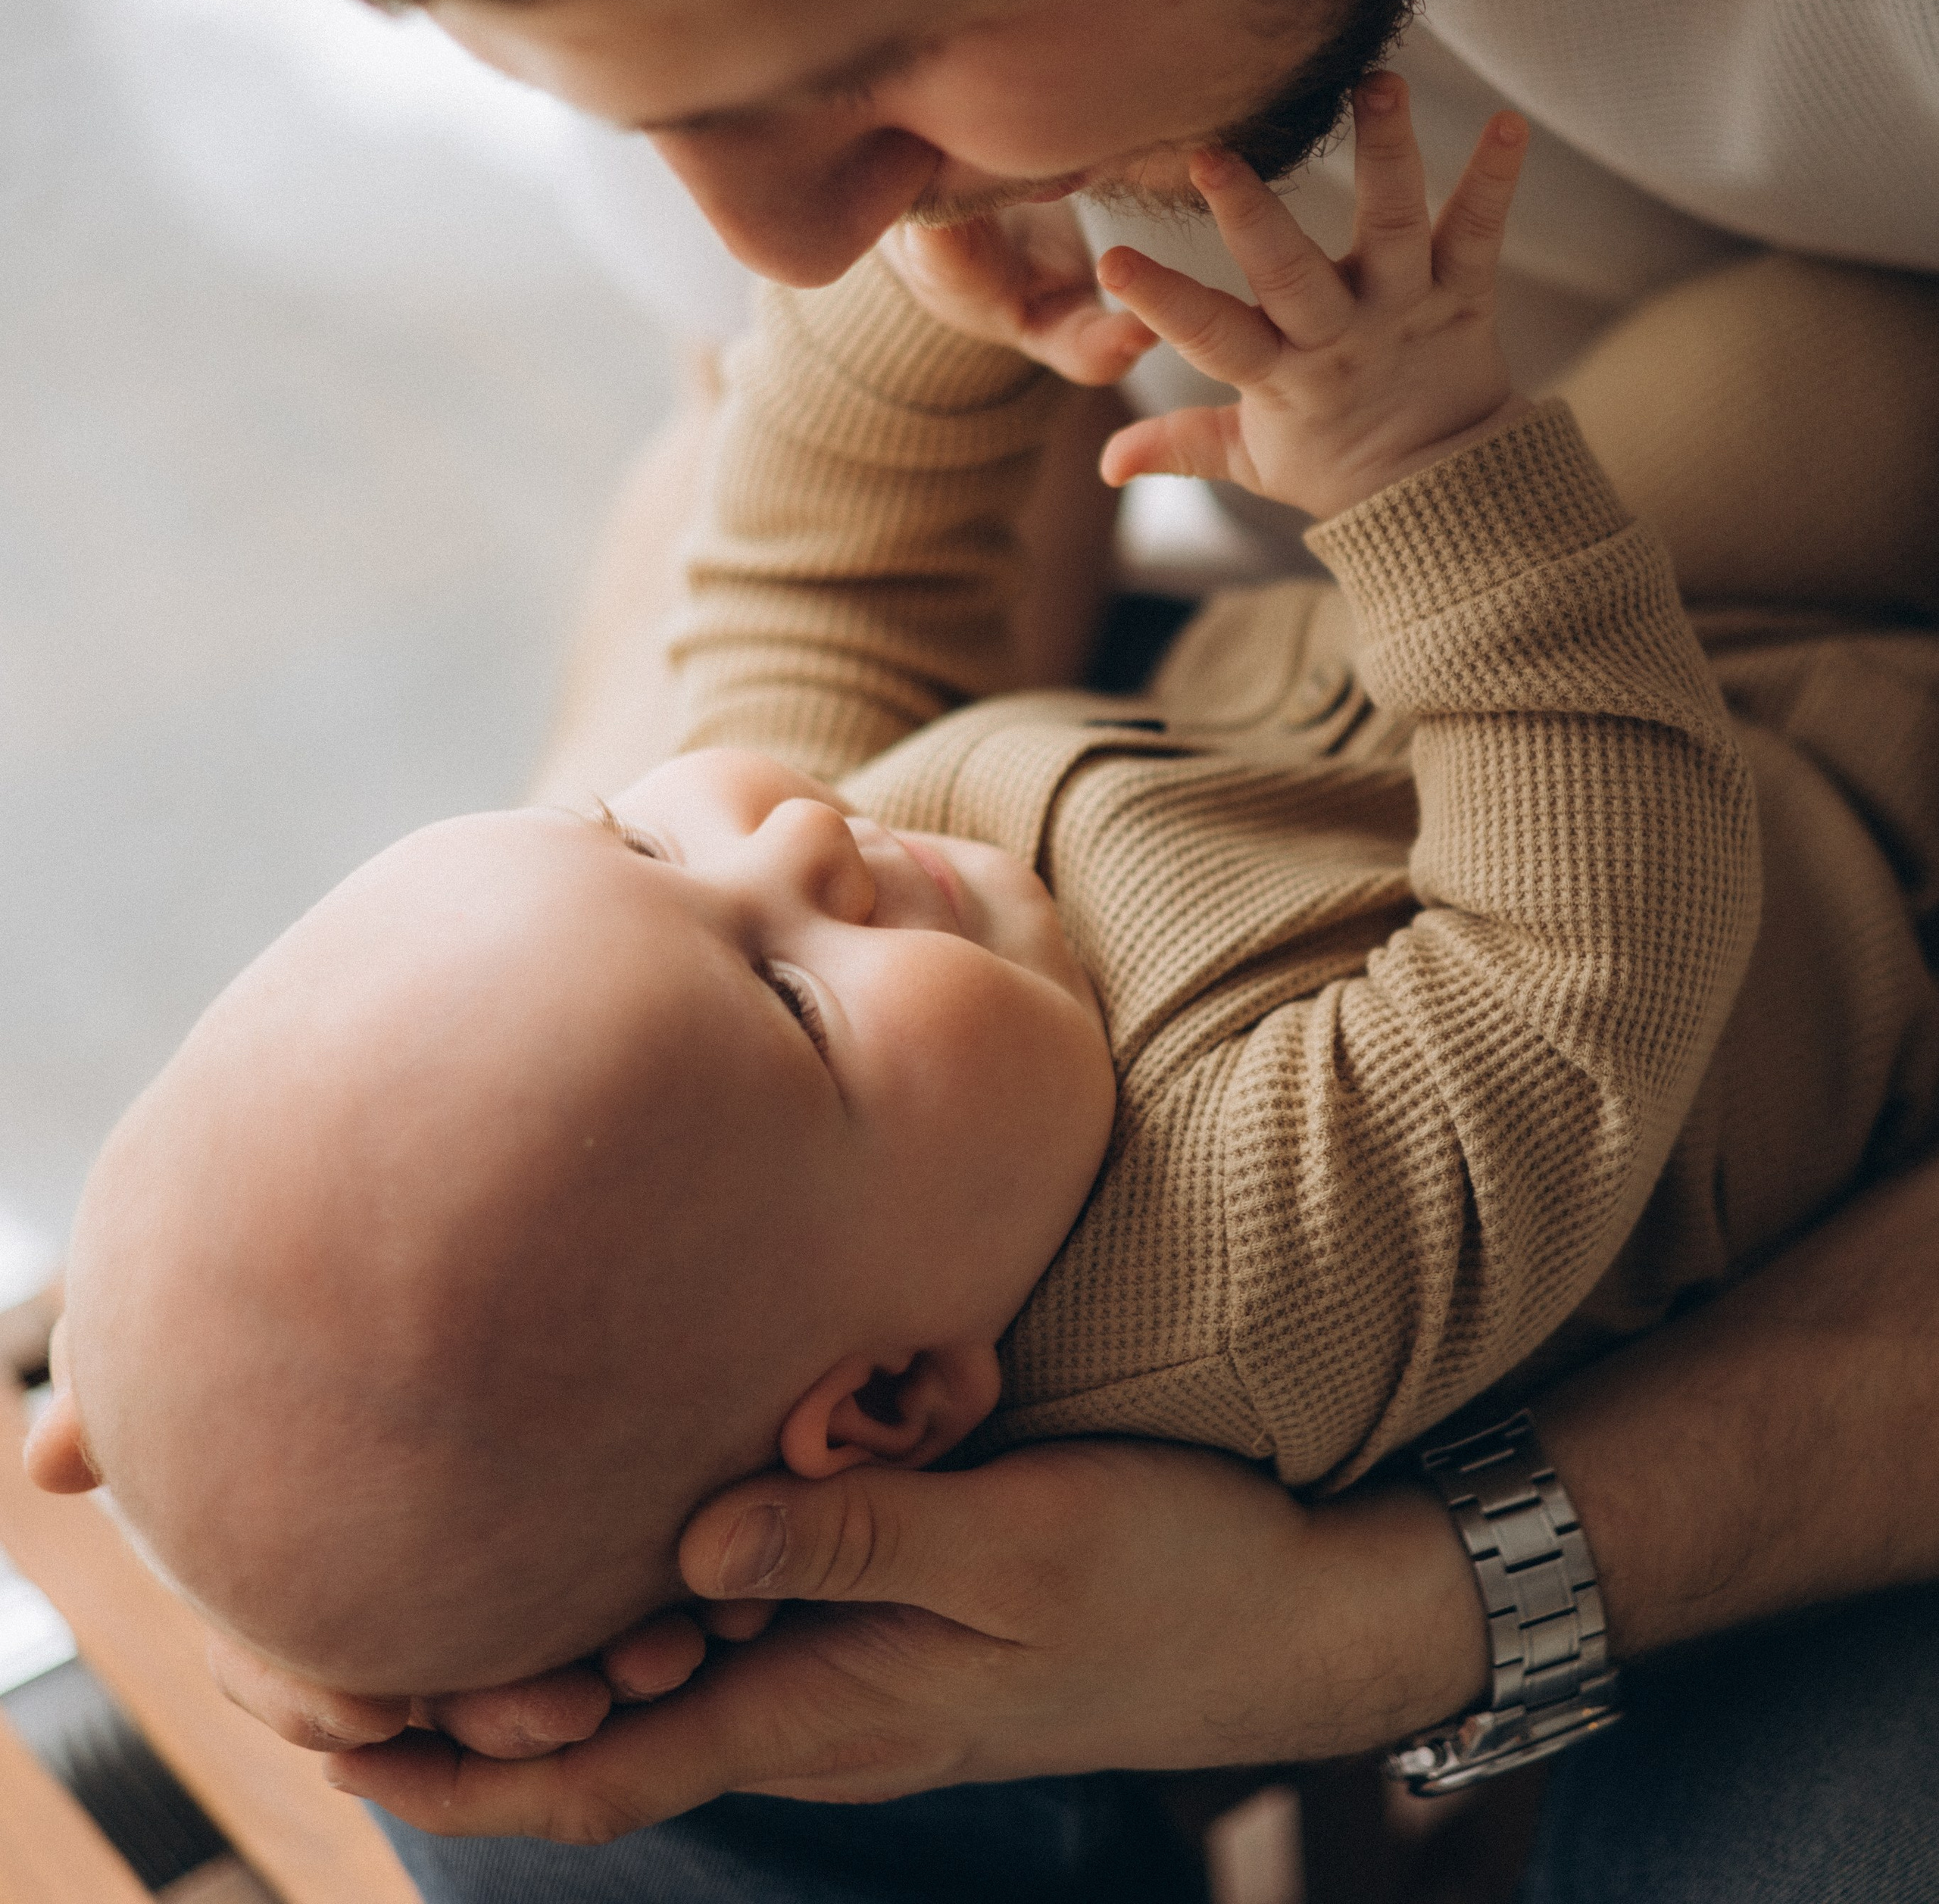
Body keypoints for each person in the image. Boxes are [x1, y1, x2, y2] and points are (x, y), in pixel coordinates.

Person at [97, 0, 1939, 1890]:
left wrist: (1411, 1608)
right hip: (1460, 640)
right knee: (522, 1692)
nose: (793, 233)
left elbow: (1572, 974)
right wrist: (464, 1204)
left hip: (1781, 943)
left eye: (857, 77)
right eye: (642, 113)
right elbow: (790, 567)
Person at [28, 117, 1937, 1778]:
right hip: (1836, 831)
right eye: (789, 998)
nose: (785, 835)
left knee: (1758, 379)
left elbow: (820, 574)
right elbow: (1581, 951)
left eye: (620, 834)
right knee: (1844, 382)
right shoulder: (1239, 1285)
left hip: (1546, 680)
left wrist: (934, 292)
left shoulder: (837, 1041)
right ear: (889, 1406)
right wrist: (1423, 473)